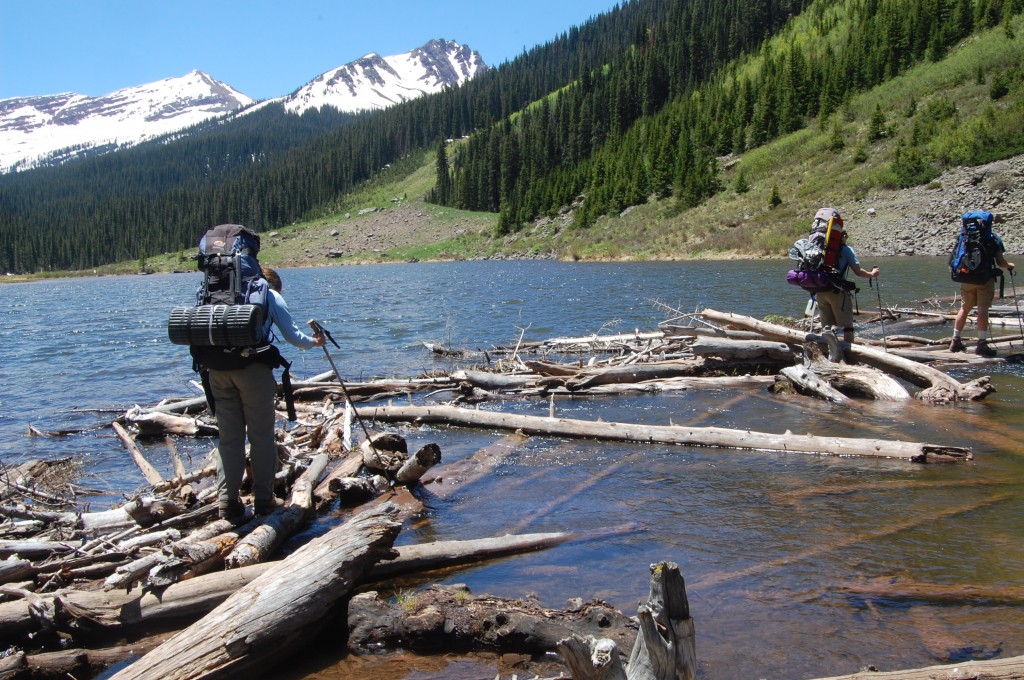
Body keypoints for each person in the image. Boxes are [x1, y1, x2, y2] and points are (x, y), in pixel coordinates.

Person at [208, 266, 325, 523]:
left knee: (229, 439)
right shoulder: (269, 294)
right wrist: (314, 342)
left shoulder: (218, 290)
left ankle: (227, 504)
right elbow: (293, 337)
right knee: (260, 436)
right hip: (252, 369)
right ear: (275, 284)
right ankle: (264, 500)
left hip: (216, 370)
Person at [949, 217, 1015, 357]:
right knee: (982, 309)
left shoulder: (964, 237)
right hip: (985, 279)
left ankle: (955, 340)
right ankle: (982, 344)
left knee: (964, 308)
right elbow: (1001, 262)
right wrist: (1009, 266)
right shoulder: (992, 238)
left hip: (966, 277)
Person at [813, 212, 880, 349]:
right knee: (847, 326)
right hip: (838, 292)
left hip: (820, 289)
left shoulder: (822, 248)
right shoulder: (846, 250)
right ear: (843, 236)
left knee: (827, 326)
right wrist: (872, 274)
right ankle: (849, 353)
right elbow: (858, 272)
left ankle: (829, 351)